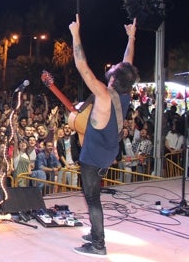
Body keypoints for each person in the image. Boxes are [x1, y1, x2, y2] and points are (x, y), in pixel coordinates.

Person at [69, 14, 138, 257]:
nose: (113, 68)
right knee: (94, 197)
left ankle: (98, 244)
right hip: (109, 152)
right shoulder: (124, 94)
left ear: (115, 78)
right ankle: (95, 232)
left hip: (94, 157)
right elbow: (127, 62)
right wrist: (131, 37)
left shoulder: (104, 95)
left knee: (93, 198)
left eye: (115, 70)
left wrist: (76, 34)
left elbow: (82, 67)